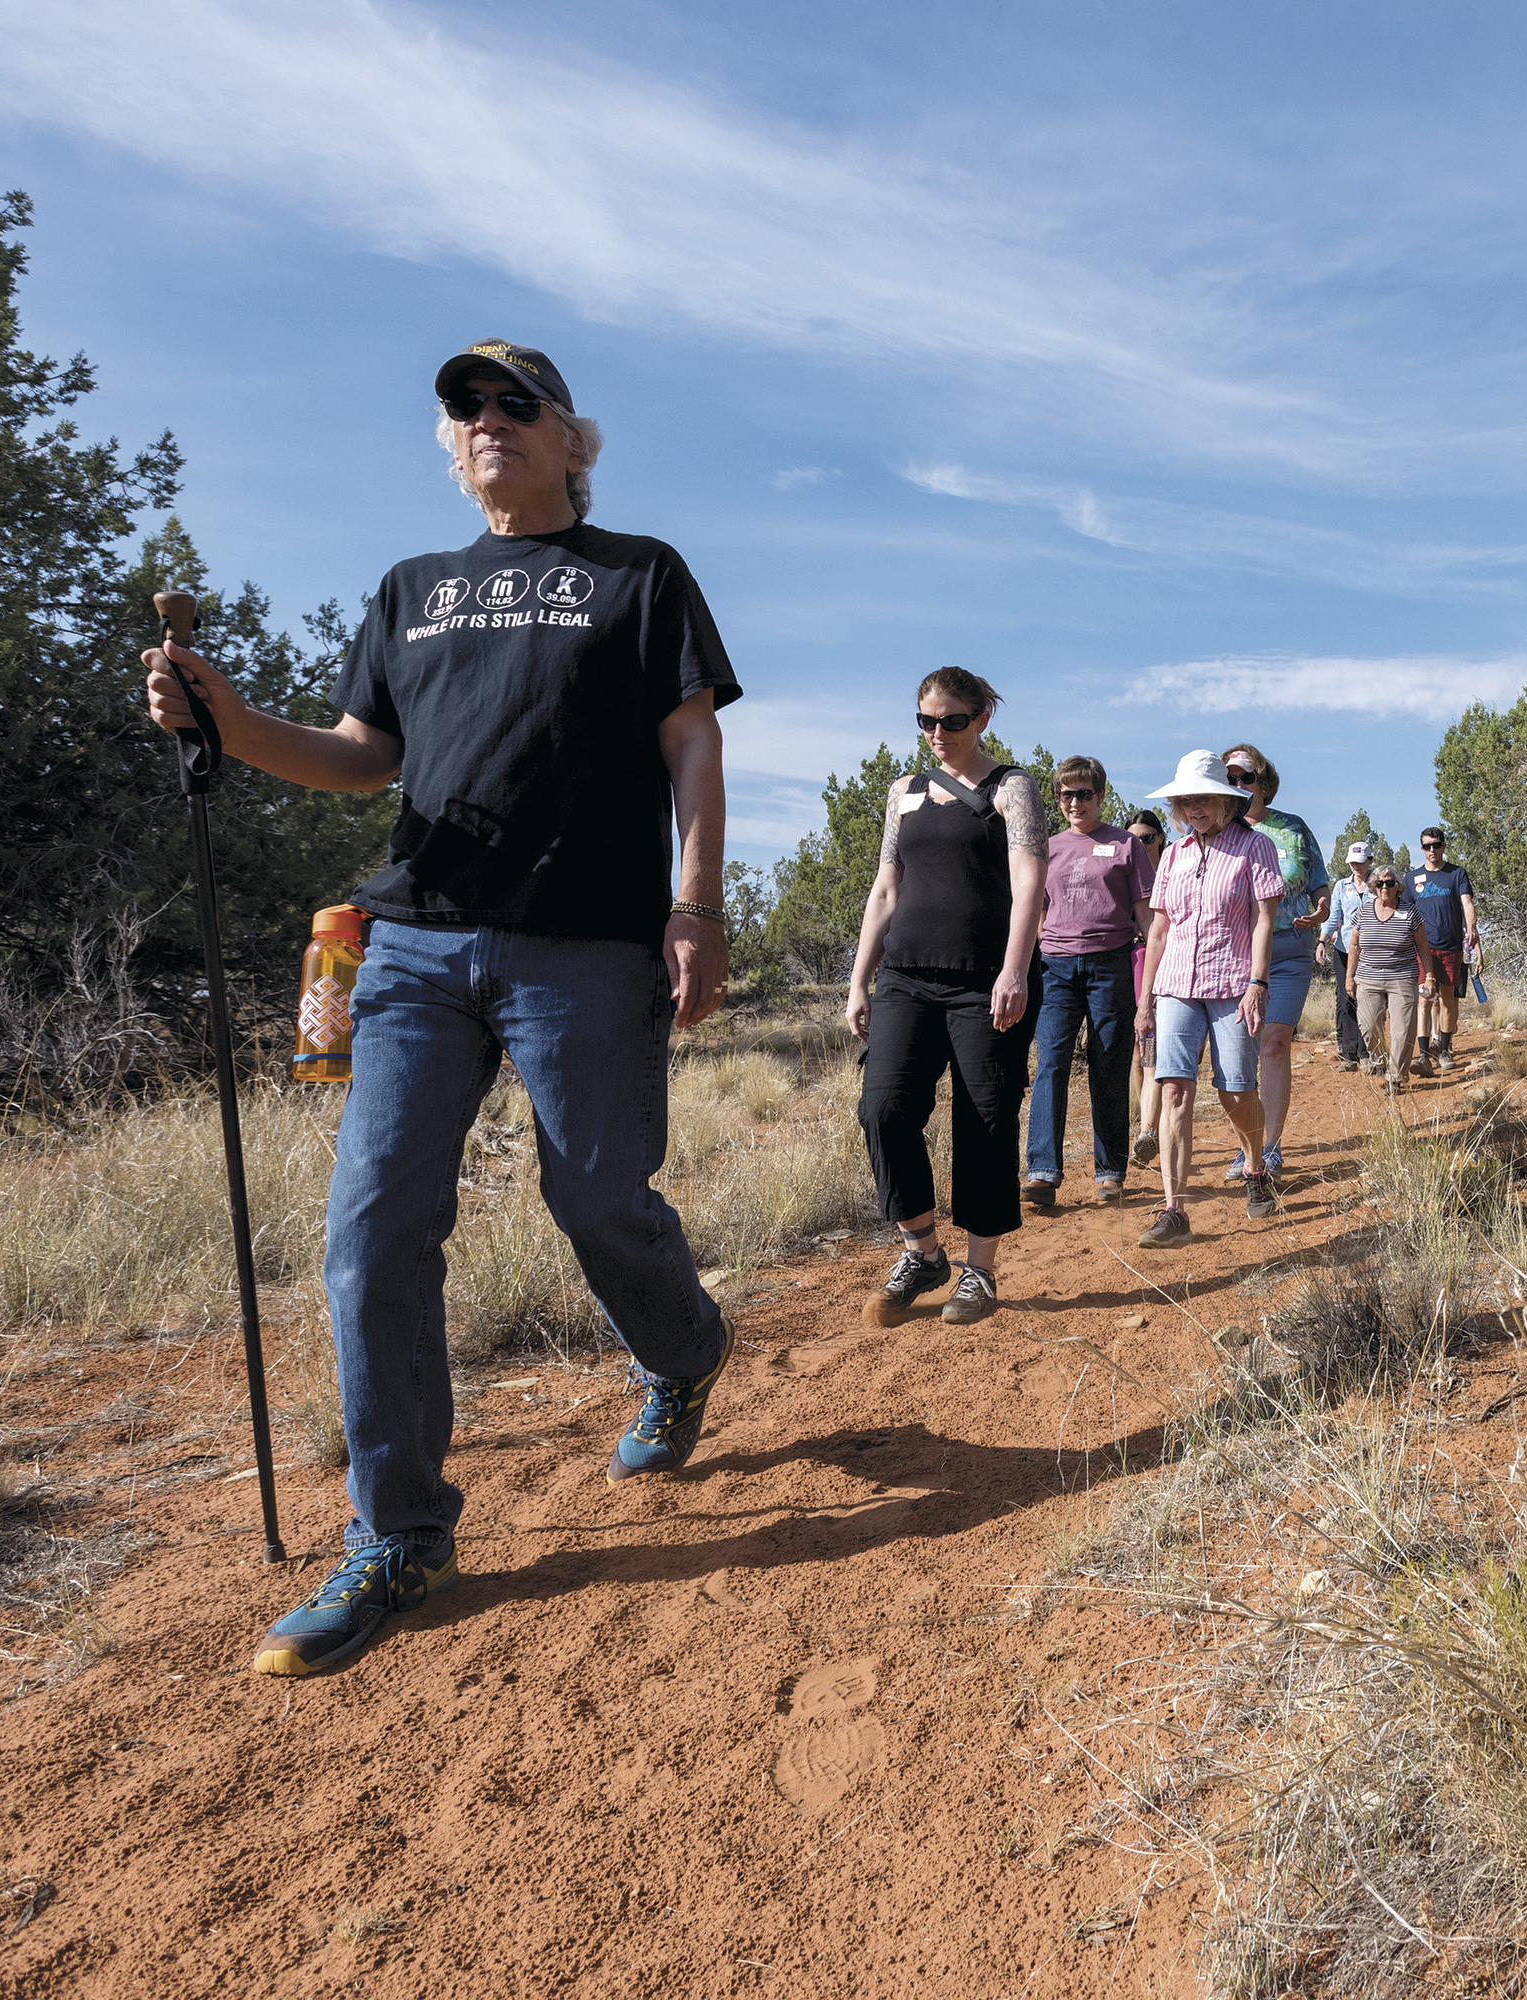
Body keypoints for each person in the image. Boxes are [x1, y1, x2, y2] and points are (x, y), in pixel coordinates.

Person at [141, 339, 739, 1678]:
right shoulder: (411, 591)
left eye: (513, 404)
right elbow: (360, 764)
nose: (485, 423)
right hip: (414, 947)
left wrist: (692, 910)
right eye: (463, 409)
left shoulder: (638, 576)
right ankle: (400, 1530)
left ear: (570, 438)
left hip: (584, 944)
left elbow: (690, 742)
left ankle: (685, 1348)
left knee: (595, 1201)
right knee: (372, 1225)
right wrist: (227, 723)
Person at [847, 669, 1050, 1326]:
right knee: (882, 1109)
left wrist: (1014, 969)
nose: (938, 734)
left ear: (981, 718)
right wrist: (857, 980)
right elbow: (885, 889)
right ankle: (923, 1252)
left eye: (952, 721)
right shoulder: (902, 792)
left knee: (984, 1117)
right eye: (926, 722)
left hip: (983, 979)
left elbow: (1029, 885)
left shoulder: (1010, 788)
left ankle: (980, 1271)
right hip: (904, 974)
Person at [1134, 750, 1281, 1245]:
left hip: (1232, 982)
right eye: (1185, 799)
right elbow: (1159, 929)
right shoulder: (1172, 855)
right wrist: (1145, 998)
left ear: (1224, 800)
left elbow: (1264, 920)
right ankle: (1174, 1208)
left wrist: (1258, 983)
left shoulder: (1253, 848)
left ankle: (1256, 1167)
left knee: (1236, 1090)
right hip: (1176, 983)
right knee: (1174, 1088)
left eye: (1203, 798)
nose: (1194, 807)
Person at [1023, 756, 1153, 1209]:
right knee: (1052, 1062)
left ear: (1100, 795)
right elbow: (1033, 910)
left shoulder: (1125, 845)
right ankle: (1041, 1171)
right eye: (1065, 794)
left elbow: (1145, 914)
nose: (1074, 802)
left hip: (1110, 964)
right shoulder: (1047, 846)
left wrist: (1154, 976)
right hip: (1056, 966)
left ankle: (1110, 1172)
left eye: (1084, 793)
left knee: (1109, 1064)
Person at [1217, 745, 1330, 1184]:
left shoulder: (1293, 828)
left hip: (1289, 951)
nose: (1238, 786)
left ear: (1262, 781)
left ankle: (1271, 1148)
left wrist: (1321, 913)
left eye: (1246, 777)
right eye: (1229, 779)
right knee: (1241, 1048)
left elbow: (1319, 886)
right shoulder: (1221, 834)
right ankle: (1247, 1147)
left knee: (1275, 1043)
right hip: (1236, 954)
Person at [1346, 863, 1439, 1089]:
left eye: (1389, 882)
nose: (1384, 887)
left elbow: (1423, 945)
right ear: (1373, 886)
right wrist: (1350, 976)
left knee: (1402, 1030)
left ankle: (1395, 1078)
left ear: (1397, 886)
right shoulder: (1364, 911)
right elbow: (1355, 945)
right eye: (1379, 883)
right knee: (1368, 1027)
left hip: (1402, 977)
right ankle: (1381, 1062)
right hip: (1368, 977)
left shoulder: (1410, 911)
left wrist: (1429, 977)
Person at [1409, 826, 1481, 1073]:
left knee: (1447, 999)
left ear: (1444, 846)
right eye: (1427, 846)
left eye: (1436, 845)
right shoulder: (1412, 879)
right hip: (1423, 950)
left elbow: (1467, 904)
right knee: (1424, 999)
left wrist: (1471, 928)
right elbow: (1406, 915)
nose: (1432, 850)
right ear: (1421, 849)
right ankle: (1422, 1055)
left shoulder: (1457, 874)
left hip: (1451, 945)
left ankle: (1445, 1050)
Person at [1121, 809, 1169, 1165]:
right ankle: (1146, 1127)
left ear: (1160, 839)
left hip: (1165, 964)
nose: (1140, 844)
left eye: (1147, 838)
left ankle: (1150, 1129)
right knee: (1137, 1054)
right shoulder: (1121, 874)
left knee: (1152, 1043)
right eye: (1133, 839)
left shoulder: (1171, 871)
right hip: (1127, 960)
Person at [1323, 840, 1376, 1070]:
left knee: (1367, 1001)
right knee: (1345, 1001)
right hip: (1344, 950)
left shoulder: (1379, 884)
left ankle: (1367, 1053)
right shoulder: (1341, 886)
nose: (1356, 867)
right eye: (1353, 863)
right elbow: (1333, 916)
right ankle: (1349, 1053)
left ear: (1370, 861)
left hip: (1372, 952)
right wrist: (1322, 940)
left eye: (1361, 862)